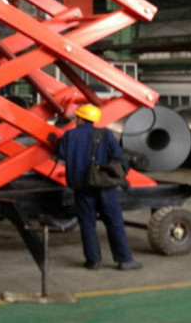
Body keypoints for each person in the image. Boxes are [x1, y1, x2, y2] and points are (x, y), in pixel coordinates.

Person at [56, 103, 142, 270]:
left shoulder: (69, 136)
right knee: (114, 222)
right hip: (104, 186)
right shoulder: (105, 135)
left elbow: (61, 154)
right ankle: (124, 260)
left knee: (87, 223)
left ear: (80, 119)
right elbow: (119, 157)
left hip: (81, 186)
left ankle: (93, 260)